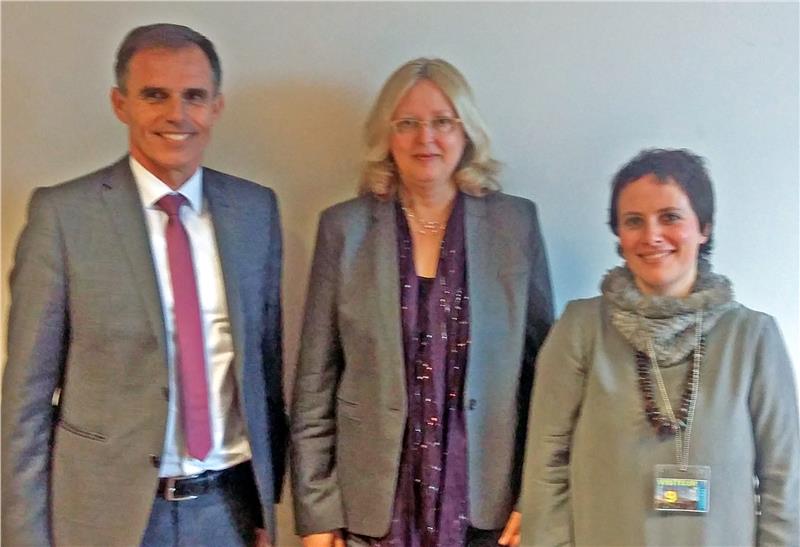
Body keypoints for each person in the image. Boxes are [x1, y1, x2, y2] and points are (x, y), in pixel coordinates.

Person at [1, 23, 286, 547]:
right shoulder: (64, 217)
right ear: (120, 104)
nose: (177, 114)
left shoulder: (255, 212)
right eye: (155, 95)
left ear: (216, 106)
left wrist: (266, 504)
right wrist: (23, 536)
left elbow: (265, 372)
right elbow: (26, 401)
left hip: (227, 512)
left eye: (194, 96)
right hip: (103, 518)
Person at [291, 57, 554, 547]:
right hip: (369, 510)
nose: (425, 138)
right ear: (387, 135)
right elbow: (314, 382)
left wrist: (534, 493)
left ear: (465, 132)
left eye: (442, 122)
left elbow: (543, 378)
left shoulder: (514, 227)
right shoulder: (344, 229)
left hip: (489, 510)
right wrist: (317, 513)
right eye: (407, 123)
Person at [521, 148, 800, 546]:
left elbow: (785, 481)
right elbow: (544, 469)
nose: (651, 235)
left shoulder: (754, 337)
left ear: (704, 227)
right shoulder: (580, 329)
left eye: (670, 217)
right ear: (619, 235)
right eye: (634, 221)